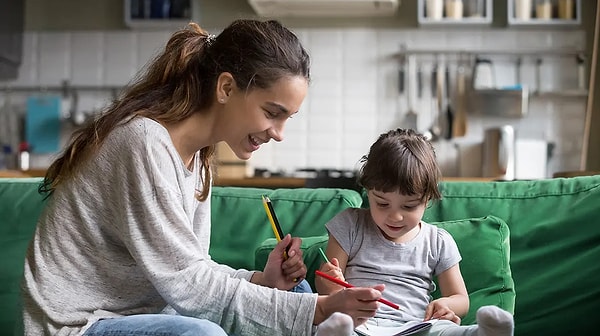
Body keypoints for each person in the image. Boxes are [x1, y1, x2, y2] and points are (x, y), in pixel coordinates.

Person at [20, 19, 386, 336]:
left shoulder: (199, 161)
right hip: (81, 325)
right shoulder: (144, 143)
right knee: (204, 333)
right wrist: (319, 310)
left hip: (147, 319)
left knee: (298, 293)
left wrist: (263, 281)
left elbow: (194, 269)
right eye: (273, 112)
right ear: (226, 88)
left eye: (288, 118)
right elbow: (188, 286)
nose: (279, 133)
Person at [315, 128, 515, 336]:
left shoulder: (438, 241)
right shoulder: (351, 224)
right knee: (339, 324)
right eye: (382, 204)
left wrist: (446, 305)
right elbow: (325, 285)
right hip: (360, 324)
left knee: (445, 331)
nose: (395, 217)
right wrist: (330, 285)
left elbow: (460, 299)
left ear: (427, 199)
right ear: (368, 192)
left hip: (417, 327)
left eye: (409, 206)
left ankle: (484, 333)